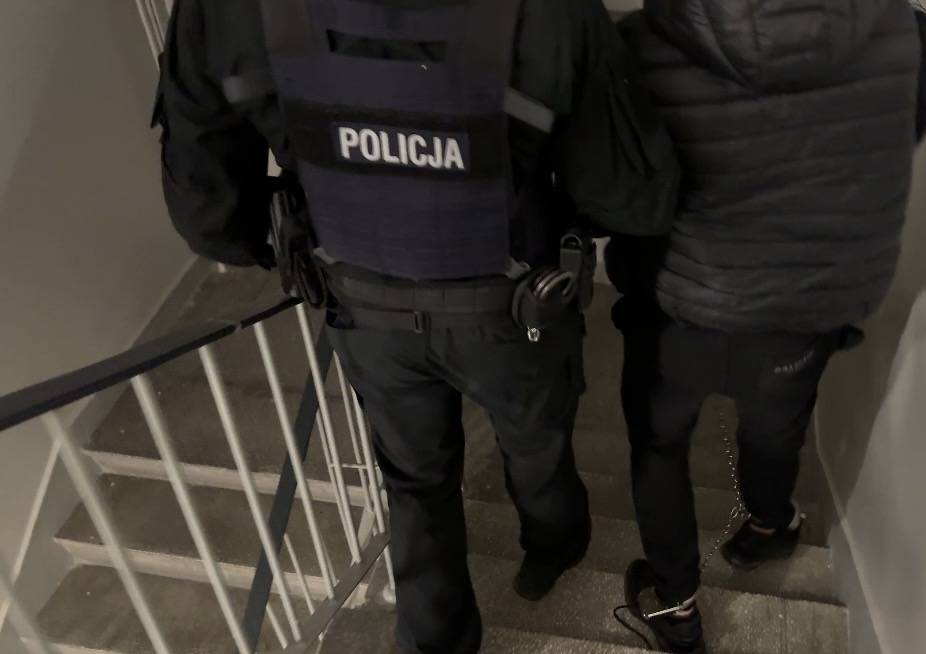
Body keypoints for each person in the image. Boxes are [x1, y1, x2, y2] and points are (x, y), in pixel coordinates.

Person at [155, 0, 681, 652]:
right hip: (514, 306)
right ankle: (553, 548)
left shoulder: (221, 10)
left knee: (414, 483)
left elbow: (209, 214)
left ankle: (434, 641)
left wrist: (311, 225)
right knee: (536, 447)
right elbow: (631, 199)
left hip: (362, 303)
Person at [608, 0, 926, 651]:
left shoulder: (641, 38)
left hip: (677, 302)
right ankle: (766, 528)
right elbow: (896, 140)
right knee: (772, 429)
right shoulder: (901, 28)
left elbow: (615, 177)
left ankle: (675, 608)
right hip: (800, 305)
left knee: (659, 447)